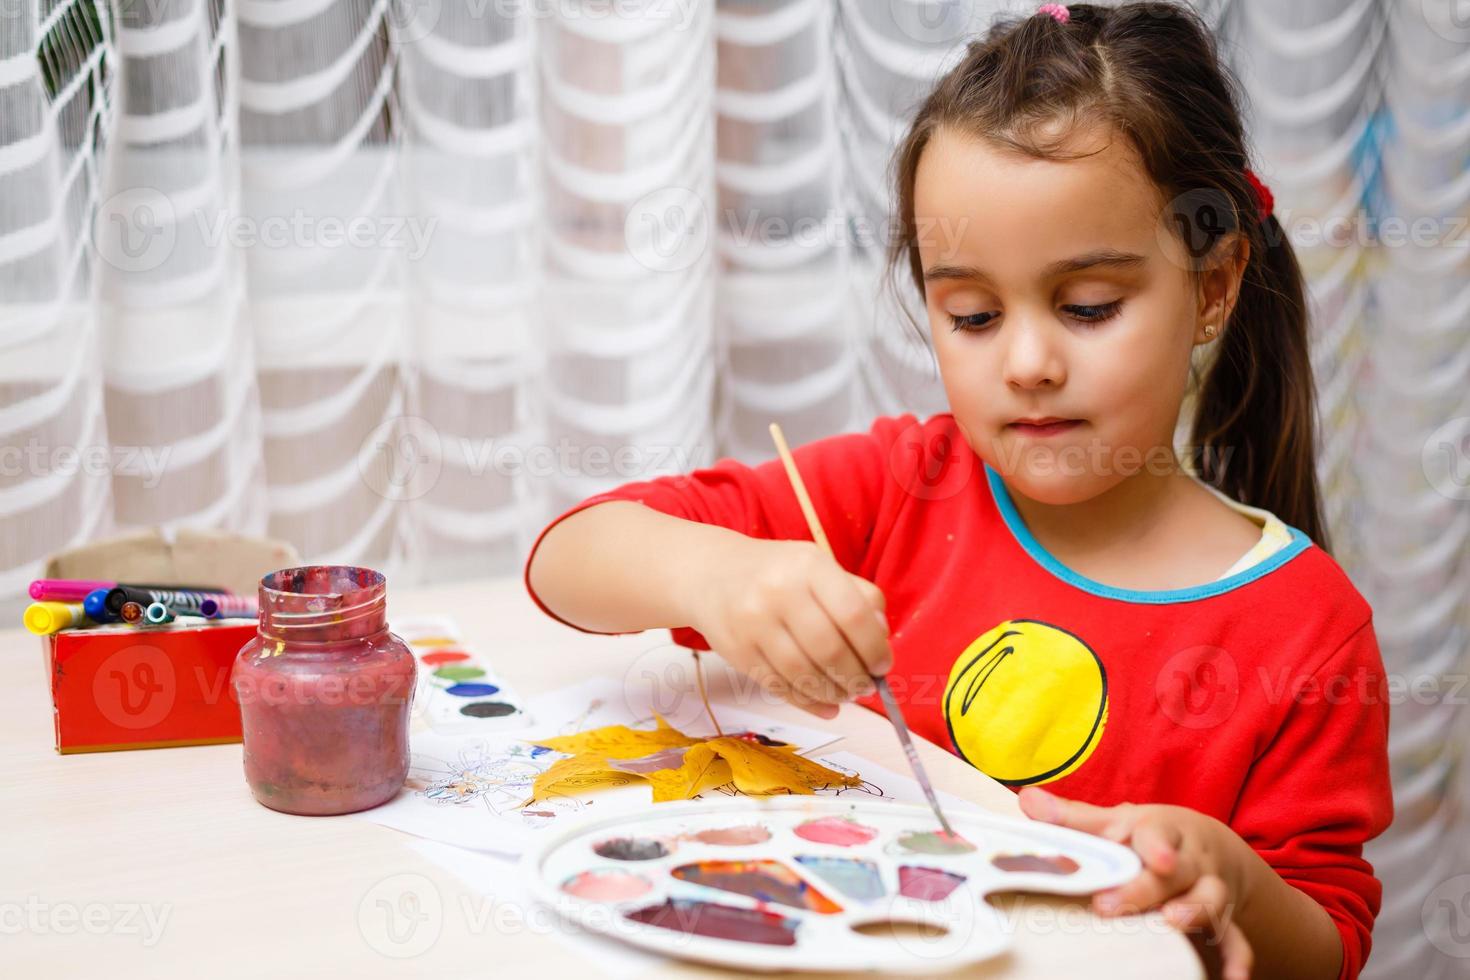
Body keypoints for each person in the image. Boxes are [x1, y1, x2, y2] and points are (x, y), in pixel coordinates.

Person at [524, 4, 1392, 978]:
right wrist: (715, 574)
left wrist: (1234, 877)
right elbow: (569, 558)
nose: (1027, 360)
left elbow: (1327, 946)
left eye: (1089, 306)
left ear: (1215, 285)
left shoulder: (1309, 629)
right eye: (973, 314)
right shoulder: (901, 484)